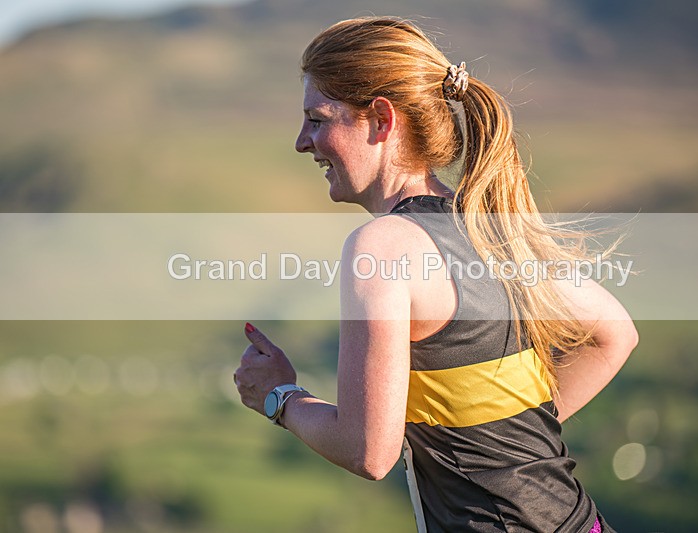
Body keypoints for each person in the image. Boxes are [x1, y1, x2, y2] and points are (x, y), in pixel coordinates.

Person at [234, 17, 638, 533]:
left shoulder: (380, 249)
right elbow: (614, 335)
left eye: (317, 119)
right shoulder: (492, 227)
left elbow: (369, 454)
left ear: (380, 120)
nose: (301, 142)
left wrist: (279, 397)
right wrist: (500, 436)